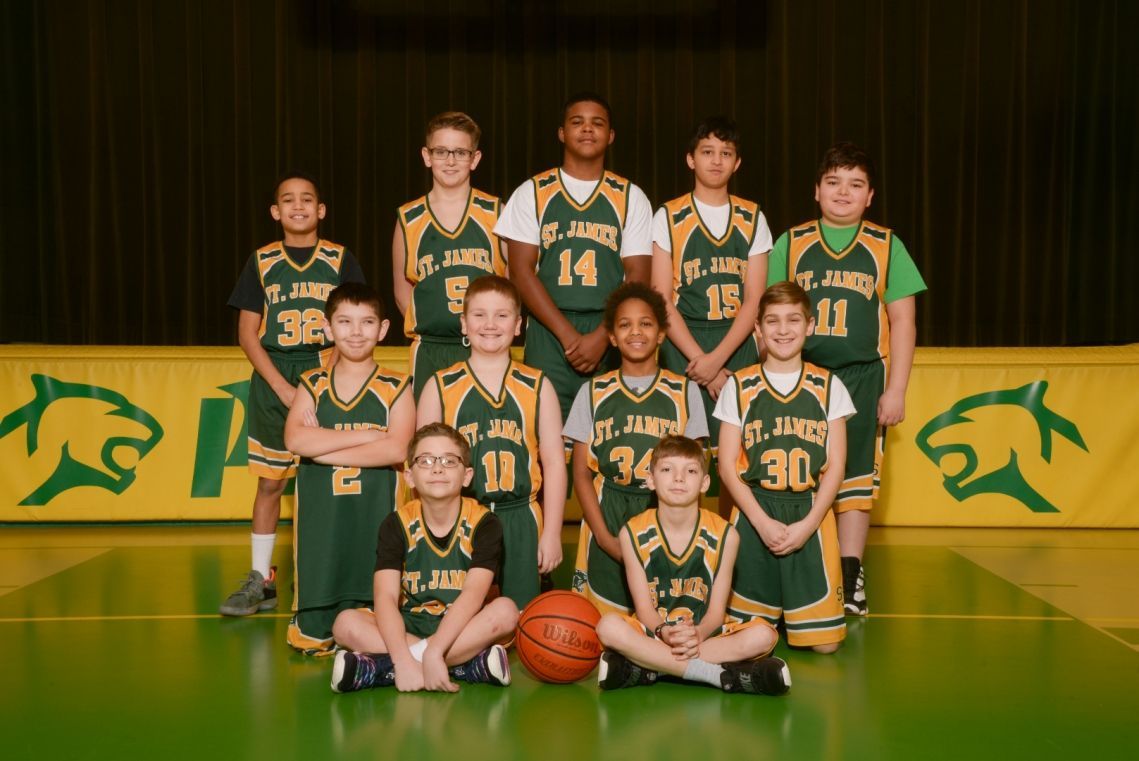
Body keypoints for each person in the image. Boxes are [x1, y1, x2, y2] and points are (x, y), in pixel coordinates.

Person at [766, 142, 927, 615]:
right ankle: (789, 568)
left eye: (855, 184)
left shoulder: (886, 244)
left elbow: (903, 322)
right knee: (792, 469)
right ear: (816, 190)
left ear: (870, 195)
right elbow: (767, 312)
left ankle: (851, 575)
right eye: (834, 182)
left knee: (856, 480)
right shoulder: (791, 243)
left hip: (861, 378)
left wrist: (896, 388)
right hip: (801, 376)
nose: (843, 192)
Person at [221, 171, 366, 616]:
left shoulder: (340, 258)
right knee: (271, 482)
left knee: (331, 483)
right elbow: (248, 334)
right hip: (275, 375)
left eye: (308, 199)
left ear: (321, 211)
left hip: (328, 371)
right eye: (288, 200)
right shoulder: (261, 261)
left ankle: (334, 574)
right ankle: (261, 578)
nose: (298, 206)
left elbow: (356, 319)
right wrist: (283, 386)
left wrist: (330, 377)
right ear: (275, 211)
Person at [494, 92, 654, 420]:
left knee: (609, 429)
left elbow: (638, 275)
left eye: (597, 123)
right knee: (544, 430)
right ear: (561, 133)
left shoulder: (630, 196)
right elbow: (520, 272)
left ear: (610, 136)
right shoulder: (532, 192)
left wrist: (601, 335)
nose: (587, 129)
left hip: (608, 329)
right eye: (577, 122)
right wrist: (568, 336)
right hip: (548, 329)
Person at [714, 281, 854, 653]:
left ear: (810, 325)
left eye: (793, 320)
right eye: (772, 321)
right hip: (754, 511)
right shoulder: (739, 386)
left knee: (825, 647)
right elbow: (727, 466)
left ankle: (797, 612)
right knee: (748, 640)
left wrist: (808, 526)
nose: (783, 329)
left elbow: (837, 465)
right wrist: (761, 522)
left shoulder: (829, 385)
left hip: (809, 511)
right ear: (757, 328)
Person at [594, 435, 790, 695]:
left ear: (705, 483)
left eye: (690, 470)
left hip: (704, 636)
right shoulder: (631, 533)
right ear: (651, 479)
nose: (678, 478)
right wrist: (665, 632)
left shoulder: (726, 536)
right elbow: (643, 609)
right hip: (656, 631)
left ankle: (648, 666)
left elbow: (716, 613)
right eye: (667, 469)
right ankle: (717, 675)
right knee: (607, 627)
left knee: (764, 636)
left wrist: (697, 634)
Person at [329, 423, 518, 693]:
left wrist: (432, 652)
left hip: (462, 627)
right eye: (425, 460)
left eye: (449, 461)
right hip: (409, 624)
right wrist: (402, 656)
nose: (437, 468)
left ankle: (380, 670)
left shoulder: (485, 523)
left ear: (467, 476)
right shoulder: (396, 524)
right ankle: (465, 666)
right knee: (344, 623)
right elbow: (385, 598)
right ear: (409, 476)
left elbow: (474, 594)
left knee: (506, 611)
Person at [416, 275, 565, 609]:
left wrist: (552, 532)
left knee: (520, 621)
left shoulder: (538, 385)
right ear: (464, 324)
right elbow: (424, 466)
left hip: (521, 517)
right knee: (456, 615)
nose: (490, 324)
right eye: (479, 315)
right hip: (462, 515)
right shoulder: (439, 386)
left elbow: (554, 463)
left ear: (518, 325)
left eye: (502, 315)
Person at [281, 283, 415, 655]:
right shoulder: (313, 383)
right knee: (310, 636)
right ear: (328, 328)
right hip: (323, 525)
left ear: (383, 329)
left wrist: (323, 445)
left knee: (375, 612)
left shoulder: (396, 386)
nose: (356, 332)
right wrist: (367, 434)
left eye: (366, 322)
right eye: (345, 322)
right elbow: (295, 440)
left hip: (373, 516)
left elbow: (399, 447)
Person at [650, 116, 771, 518]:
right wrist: (701, 362)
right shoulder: (668, 215)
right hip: (683, 344)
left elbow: (755, 299)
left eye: (726, 153)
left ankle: (728, 545)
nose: (716, 161)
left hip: (735, 346)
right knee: (683, 457)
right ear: (690, 159)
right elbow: (662, 299)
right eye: (707, 152)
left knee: (735, 458)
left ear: (737, 163)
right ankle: (684, 545)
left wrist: (716, 361)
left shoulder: (754, 217)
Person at [565, 282, 707, 615]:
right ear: (612, 337)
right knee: (602, 625)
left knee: (667, 620)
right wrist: (602, 536)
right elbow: (582, 475)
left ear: (661, 333)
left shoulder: (685, 392)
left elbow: (697, 469)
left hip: (665, 513)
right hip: (609, 512)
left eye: (646, 323)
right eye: (624, 324)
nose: (636, 331)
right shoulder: (592, 392)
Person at [392, 112, 507, 399]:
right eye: (441, 151)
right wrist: (431, 325)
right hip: (431, 348)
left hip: (485, 347)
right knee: (430, 438)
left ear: (475, 158)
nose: (451, 160)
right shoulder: (409, 218)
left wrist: (491, 331)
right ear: (426, 156)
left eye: (460, 152)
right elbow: (401, 289)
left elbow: (512, 283)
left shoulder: (496, 212)